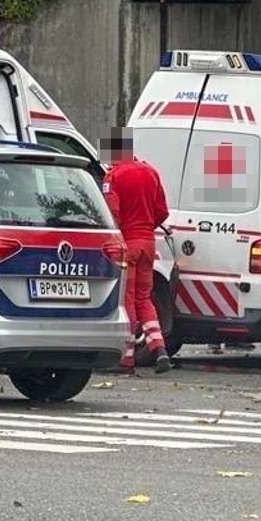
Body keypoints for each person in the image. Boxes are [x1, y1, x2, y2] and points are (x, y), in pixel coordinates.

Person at [102, 129, 173, 374]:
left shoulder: (113, 176)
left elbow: (112, 213)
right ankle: (159, 349)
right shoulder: (150, 172)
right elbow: (162, 211)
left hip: (127, 245)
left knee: (127, 300)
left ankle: (126, 359)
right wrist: (146, 228)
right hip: (148, 244)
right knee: (144, 298)